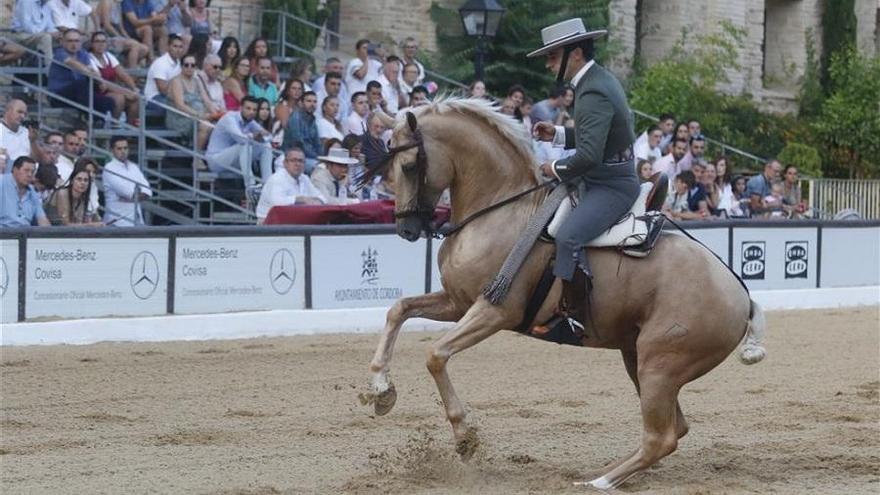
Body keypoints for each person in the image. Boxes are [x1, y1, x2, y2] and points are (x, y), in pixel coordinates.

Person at [531, 18, 640, 307]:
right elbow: (597, 135)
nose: (548, 64)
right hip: (605, 176)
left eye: (553, 57)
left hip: (610, 185)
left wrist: (554, 168)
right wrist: (558, 135)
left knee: (567, 237)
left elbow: (590, 155)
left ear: (575, 54)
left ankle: (574, 312)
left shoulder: (592, 89)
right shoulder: (597, 79)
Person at [47, 29, 117, 120]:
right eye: (70, 41)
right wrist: (99, 80)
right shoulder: (59, 53)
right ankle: (90, 118)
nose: (74, 44)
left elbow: (92, 70)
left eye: (77, 41)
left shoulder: (82, 53)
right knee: (81, 84)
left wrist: (99, 80)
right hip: (58, 96)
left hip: (78, 95)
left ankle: (97, 125)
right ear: (62, 42)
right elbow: (77, 66)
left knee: (108, 102)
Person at [205, 96, 273, 188]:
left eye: (254, 110)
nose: (251, 112)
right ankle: (250, 186)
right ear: (240, 108)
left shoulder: (250, 121)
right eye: (248, 108)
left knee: (266, 145)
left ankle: (268, 184)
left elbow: (269, 137)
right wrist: (254, 135)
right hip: (216, 160)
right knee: (245, 145)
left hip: (233, 160)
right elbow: (241, 138)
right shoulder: (230, 118)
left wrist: (261, 137)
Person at [255, 147, 324, 223]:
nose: (297, 164)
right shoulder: (277, 178)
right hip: (269, 223)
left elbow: (322, 197)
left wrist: (317, 201)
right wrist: (300, 199)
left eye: (301, 161)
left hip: (295, 221)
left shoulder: (304, 178)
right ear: (285, 163)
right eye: (293, 160)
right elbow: (277, 203)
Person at [88, 31, 141, 125]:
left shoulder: (108, 56)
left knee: (135, 100)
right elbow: (101, 82)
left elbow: (123, 74)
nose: (100, 44)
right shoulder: (89, 58)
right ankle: (113, 127)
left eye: (103, 41)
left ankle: (129, 131)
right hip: (98, 91)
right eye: (97, 41)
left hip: (113, 90)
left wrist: (134, 88)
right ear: (92, 44)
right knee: (119, 99)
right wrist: (126, 92)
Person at [166, 54, 215, 151]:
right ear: (181, 66)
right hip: (181, 117)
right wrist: (199, 115)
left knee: (218, 124)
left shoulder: (197, 81)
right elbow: (180, 105)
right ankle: (196, 157)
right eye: (186, 65)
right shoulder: (176, 81)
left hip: (198, 116)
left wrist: (215, 113)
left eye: (192, 65)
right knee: (205, 125)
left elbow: (206, 100)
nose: (189, 67)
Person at [103, 136, 152, 226]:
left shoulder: (133, 167)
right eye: (119, 148)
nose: (123, 151)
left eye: (125, 148)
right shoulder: (109, 168)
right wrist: (134, 195)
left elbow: (147, 191)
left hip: (136, 219)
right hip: (117, 221)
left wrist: (132, 197)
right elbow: (126, 192)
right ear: (112, 150)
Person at [44, 160, 103, 226]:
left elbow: (82, 221)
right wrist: (90, 225)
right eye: (79, 179)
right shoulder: (62, 193)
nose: (82, 183)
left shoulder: (84, 196)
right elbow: (66, 225)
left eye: (86, 180)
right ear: (72, 180)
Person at [95, 0, 150, 68]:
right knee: (135, 46)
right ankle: (132, 72)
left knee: (145, 49)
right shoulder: (106, 2)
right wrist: (119, 36)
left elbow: (121, 27)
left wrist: (127, 38)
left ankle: (126, 67)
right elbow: (107, 25)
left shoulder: (118, 5)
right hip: (104, 36)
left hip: (116, 35)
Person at [0, 156, 51, 227]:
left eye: (32, 172)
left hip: (25, 235)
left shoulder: (33, 192)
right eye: (26, 170)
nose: (30, 175)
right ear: (15, 170)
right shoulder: (2, 182)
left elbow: (42, 219)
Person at [6, 0, 58, 67]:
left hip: (36, 36)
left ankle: (68, 72)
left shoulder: (47, 6)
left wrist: (58, 34)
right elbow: (27, 26)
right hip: (21, 35)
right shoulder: (26, 2)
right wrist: (46, 33)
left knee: (65, 39)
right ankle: (50, 71)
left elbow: (50, 26)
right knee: (46, 37)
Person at [282, 91, 320, 173]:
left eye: (314, 101)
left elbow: (317, 144)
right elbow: (299, 144)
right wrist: (317, 157)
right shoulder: (295, 118)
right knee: (320, 169)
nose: (312, 104)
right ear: (301, 103)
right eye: (309, 101)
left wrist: (323, 157)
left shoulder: (312, 120)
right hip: (294, 157)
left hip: (310, 156)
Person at [1, 99, 40, 172]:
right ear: (7, 111)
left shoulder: (27, 132)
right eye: (19, 112)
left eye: (25, 114)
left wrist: (33, 141)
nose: (22, 116)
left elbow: (36, 159)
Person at [144, 34, 184, 103]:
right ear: (168, 47)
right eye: (175, 46)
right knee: (178, 105)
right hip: (154, 97)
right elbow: (163, 90)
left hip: (171, 95)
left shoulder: (179, 62)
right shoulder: (160, 63)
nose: (178, 50)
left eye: (180, 47)